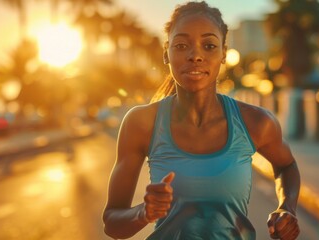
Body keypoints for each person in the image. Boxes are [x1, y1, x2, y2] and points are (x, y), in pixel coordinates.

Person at [103, 1, 300, 239]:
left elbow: (286, 165)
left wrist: (286, 207)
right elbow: (112, 224)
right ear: (167, 52)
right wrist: (144, 213)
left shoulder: (256, 122)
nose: (195, 56)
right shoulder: (141, 122)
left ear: (224, 54)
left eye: (208, 45)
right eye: (182, 45)